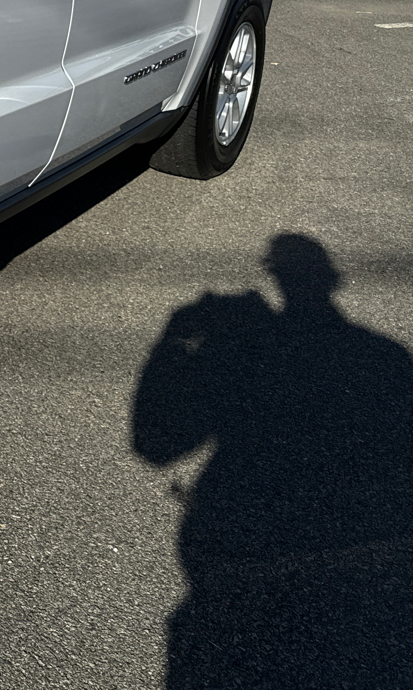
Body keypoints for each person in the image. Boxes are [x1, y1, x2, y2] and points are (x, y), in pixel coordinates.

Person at [133, 233, 413, 688]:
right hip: (366, 567)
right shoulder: (385, 358)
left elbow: (155, 442)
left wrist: (178, 336)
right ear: (332, 282)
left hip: (244, 561)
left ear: (273, 279)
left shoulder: (240, 354)